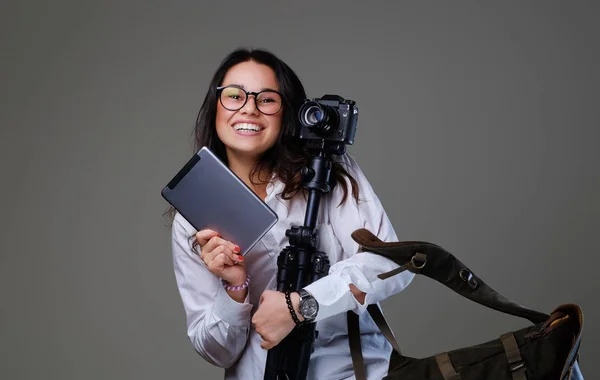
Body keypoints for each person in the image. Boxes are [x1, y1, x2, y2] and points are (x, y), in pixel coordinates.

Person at [169, 47, 415, 379]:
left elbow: (392, 261)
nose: (249, 109)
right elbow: (218, 351)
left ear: (287, 112)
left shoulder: (328, 170)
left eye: (266, 99)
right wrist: (235, 290)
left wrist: (303, 305)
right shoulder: (193, 217)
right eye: (234, 95)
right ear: (215, 105)